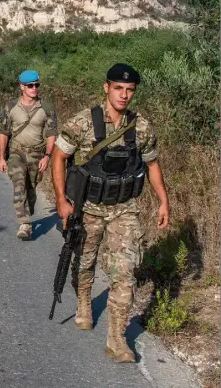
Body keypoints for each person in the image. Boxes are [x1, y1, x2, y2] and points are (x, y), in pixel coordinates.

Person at [51, 63, 170, 363]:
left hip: (124, 209)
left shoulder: (141, 127)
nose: (124, 95)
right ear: (106, 87)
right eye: (118, 88)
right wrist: (62, 202)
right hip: (87, 208)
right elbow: (58, 156)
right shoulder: (83, 122)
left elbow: (153, 164)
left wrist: (164, 201)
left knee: (125, 272)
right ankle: (83, 301)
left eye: (130, 90)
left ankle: (117, 338)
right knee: (85, 261)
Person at [0, 70, 57, 240]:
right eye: (30, 85)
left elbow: (51, 134)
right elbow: (3, 133)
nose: (34, 88)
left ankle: (27, 212)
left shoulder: (47, 107)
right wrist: (2, 157)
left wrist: (47, 156)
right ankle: (25, 223)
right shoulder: (10, 107)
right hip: (16, 152)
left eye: (36, 85)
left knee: (31, 189)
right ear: (22, 87)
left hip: (37, 154)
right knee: (19, 183)